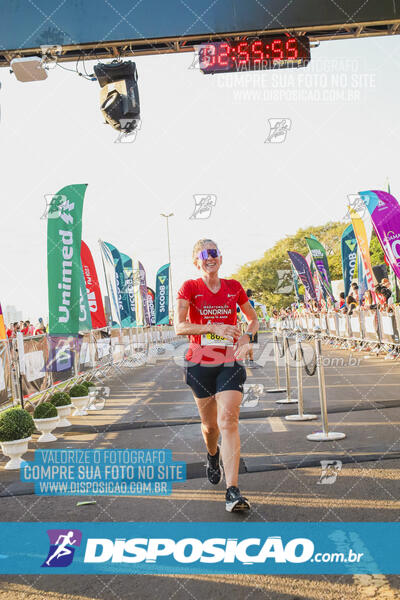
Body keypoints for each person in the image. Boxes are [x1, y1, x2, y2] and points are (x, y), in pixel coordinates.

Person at [175, 239, 259, 513]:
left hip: (229, 360)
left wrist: (247, 337)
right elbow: (179, 326)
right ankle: (212, 456)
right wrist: (213, 326)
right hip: (199, 362)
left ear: (221, 259)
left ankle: (232, 490)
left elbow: (252, 319)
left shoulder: (234, 287)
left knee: (228, 420)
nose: (210, 258)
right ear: (196, 261)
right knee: (210, 427)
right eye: (204, 254)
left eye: (215, 253)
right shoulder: (190, 288)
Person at [243, 289, 259, 367]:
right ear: (251, 295)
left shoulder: (241, 303)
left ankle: (245, 359)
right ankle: (251, 361)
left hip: (244, 324)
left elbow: (237, 310)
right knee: (250, 343)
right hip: (251, 324)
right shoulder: (251, 302)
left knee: (246, 343)